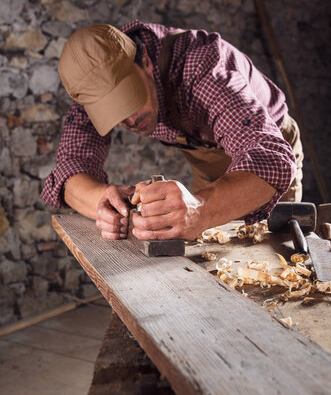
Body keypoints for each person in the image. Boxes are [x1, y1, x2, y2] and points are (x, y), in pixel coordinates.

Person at [41, 20, 303, 242]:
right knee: (214, 251)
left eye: (130, 97)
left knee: (270, 252)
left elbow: (272, 159)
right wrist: (103, 202)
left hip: (267, 146)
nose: (130, 120)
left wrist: (200, 210)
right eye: (115, 112)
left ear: (145, 61)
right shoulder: (91, 86)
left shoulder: (201, 67)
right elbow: (69, 169)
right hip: (207, 155)